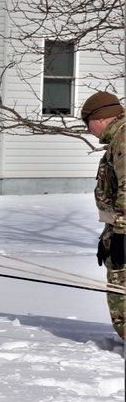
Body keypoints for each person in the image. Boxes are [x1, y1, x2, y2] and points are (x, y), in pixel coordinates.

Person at [81, 91, 125, 342]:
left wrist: (121, 236)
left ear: (99, 118)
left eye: (87, 122)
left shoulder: (123, 140)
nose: (88, 129)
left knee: (122, 299)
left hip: (124, 232)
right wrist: (108, 234)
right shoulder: (119, 139)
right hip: (118, 229)